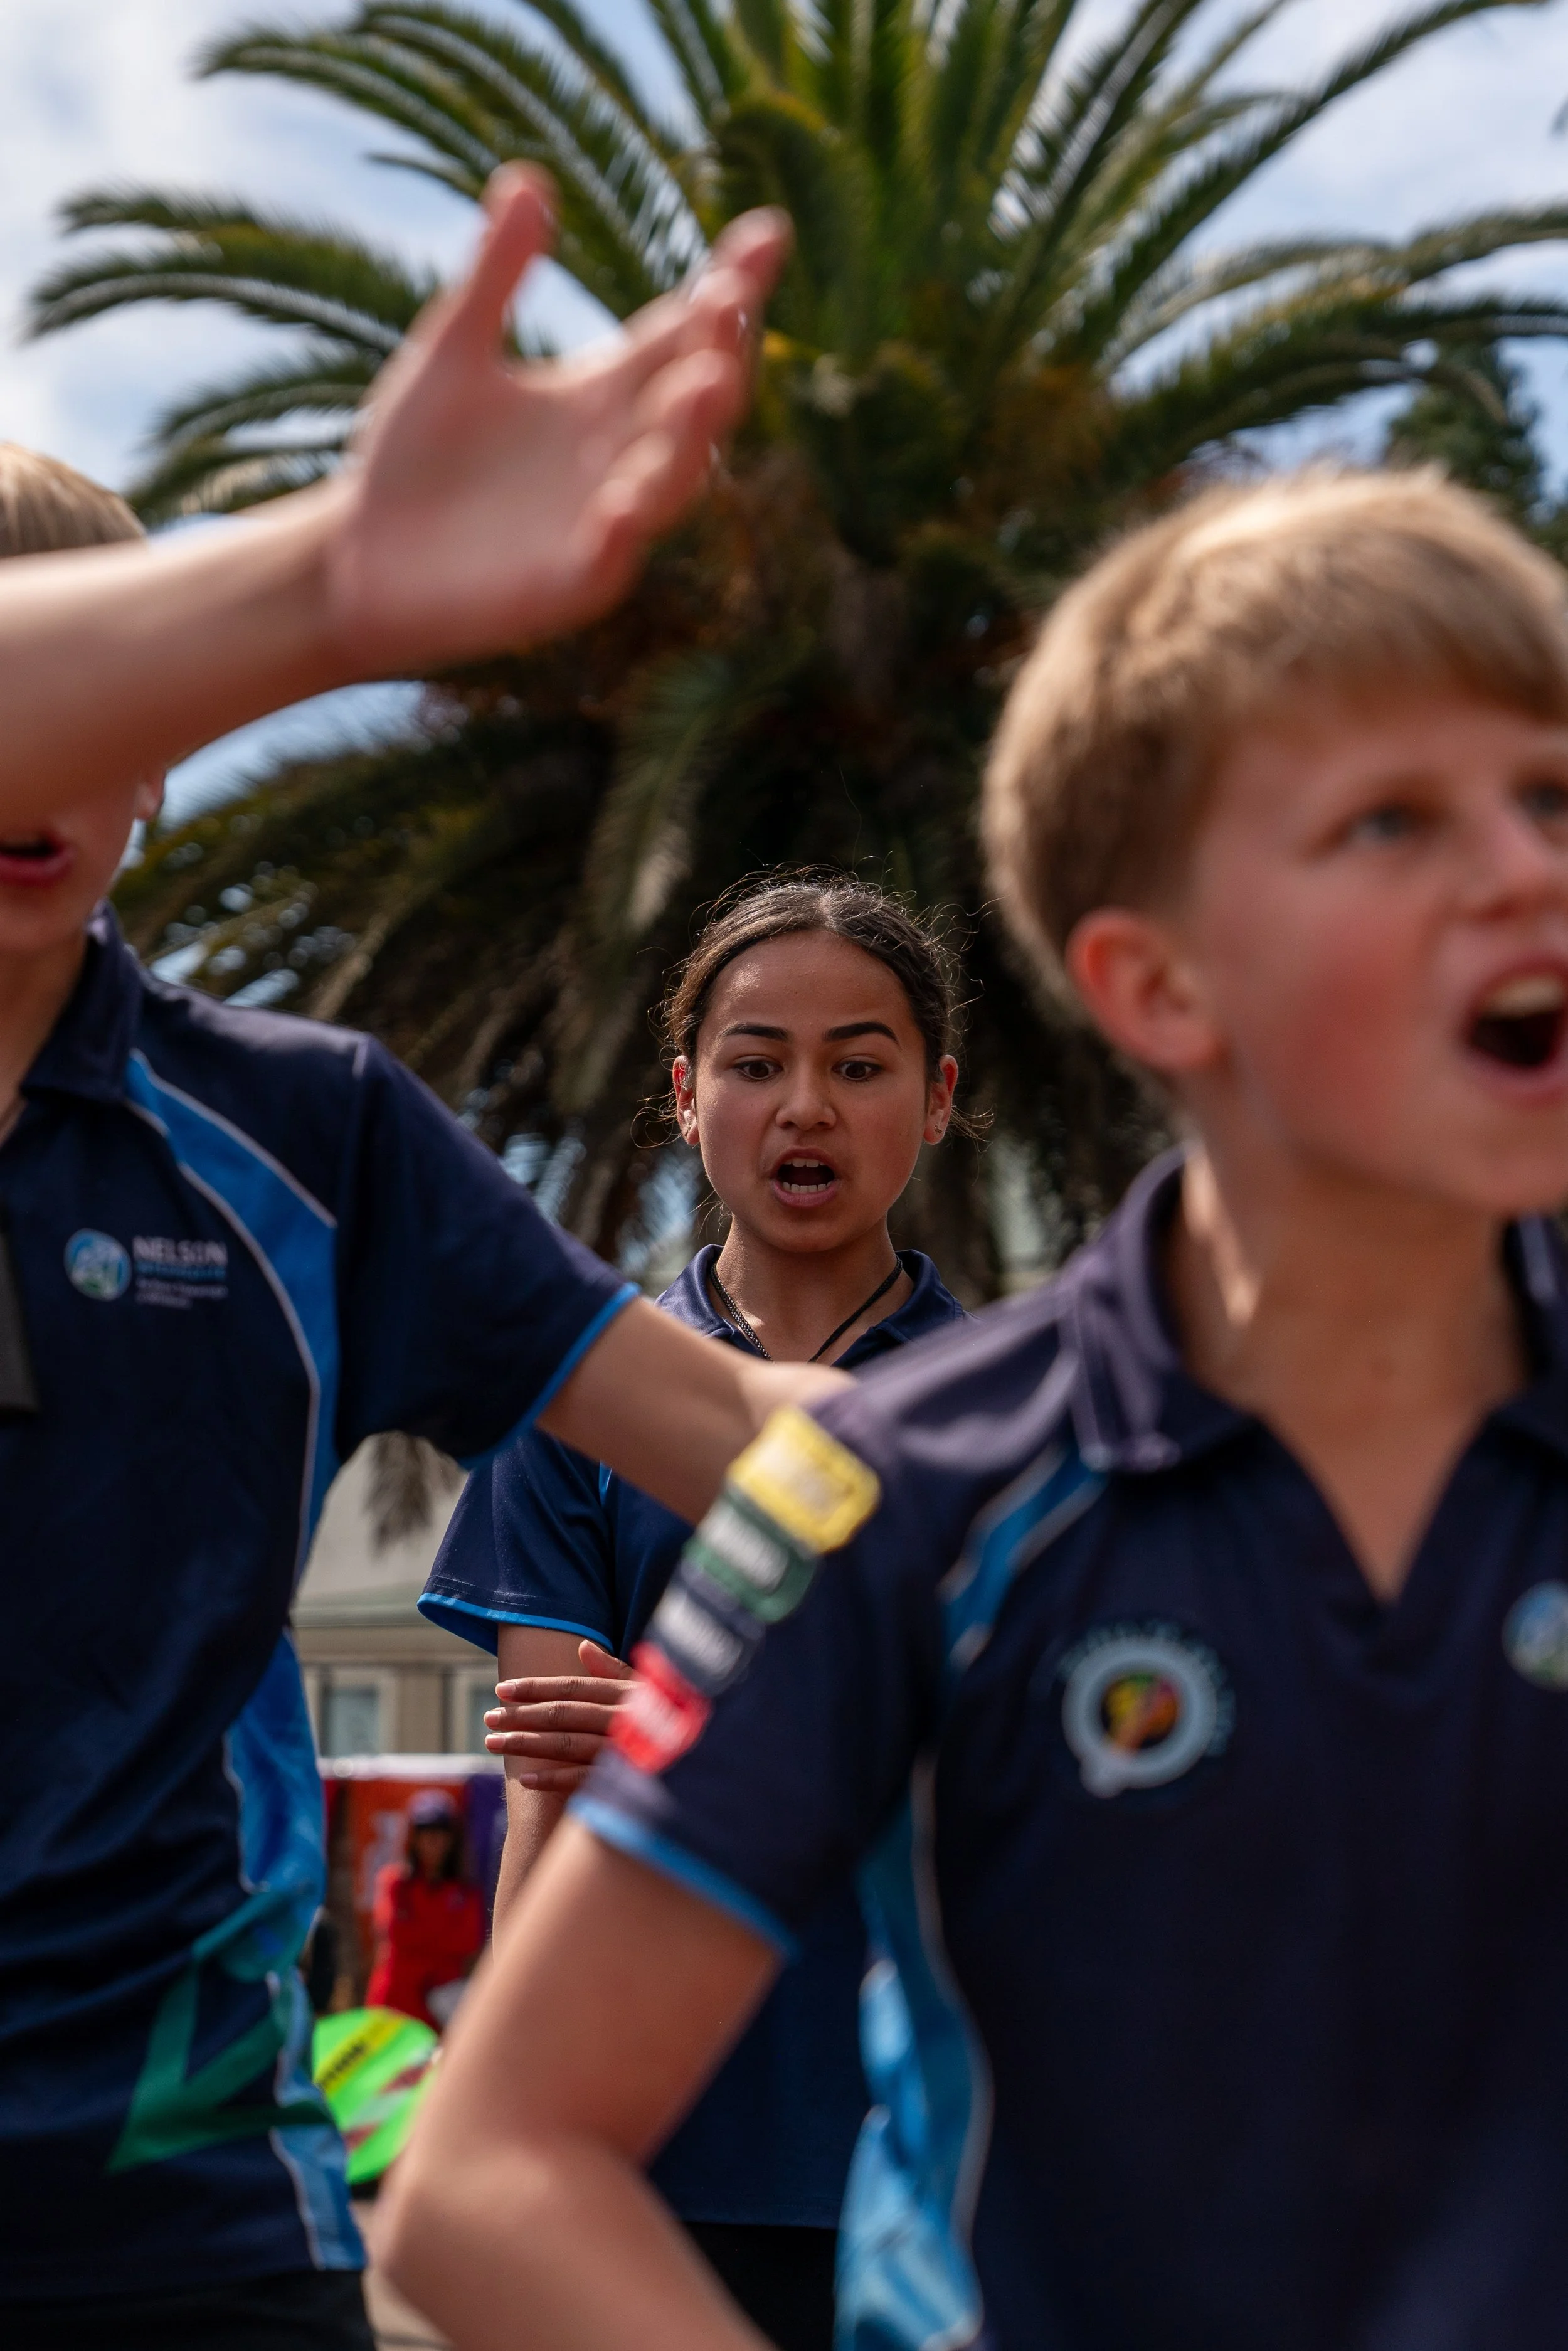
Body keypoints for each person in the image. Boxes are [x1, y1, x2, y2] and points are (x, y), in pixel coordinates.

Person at [384, 464, 1568, 2351]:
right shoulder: (897, 1493)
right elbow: (484, 2175)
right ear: (1149, 983)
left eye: (1545, 795)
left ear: (938, 1099)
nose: (1521, 871)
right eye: (1389, 819)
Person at [0, 175, 834, 2351]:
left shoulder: (306, 1128)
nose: (50, 749)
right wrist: (337, 579)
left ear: (172, 748)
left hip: (176, 2186)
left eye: (96, 679)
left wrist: (1194, 1414)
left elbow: (741, 1434)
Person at [420, 876, 968, 2350]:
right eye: (755, 1059)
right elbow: (556, 1778)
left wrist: (682, 1725)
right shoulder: (574, 1413)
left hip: (932, 2150)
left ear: (937, 1098)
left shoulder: (1005, 1412)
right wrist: (498, 2126)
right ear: (684, 1092)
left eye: (860, 1063)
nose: (806, 1105)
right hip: (650, 2152)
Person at [366, 1792, 484, 2031]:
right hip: (394, 2004)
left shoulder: (467, 1893)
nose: (433, 1840)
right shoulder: (394, 1883)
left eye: (441, 1832)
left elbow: (469, 1943)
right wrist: (440, 1936)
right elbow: (390, 1931)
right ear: (414, 1837)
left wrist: (421, 1933)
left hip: (441, 2009)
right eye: (425, 1831)